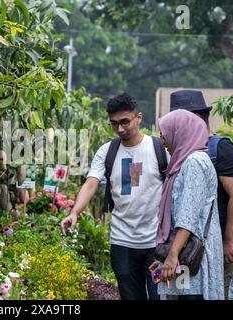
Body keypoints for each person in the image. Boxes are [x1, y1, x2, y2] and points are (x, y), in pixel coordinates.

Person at [61, 93, 168, 300]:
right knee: (130, 296)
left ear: (139, 117)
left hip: (155, 241)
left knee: (159, 296)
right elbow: (91, 183)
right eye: (114, 124)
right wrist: (74, 213)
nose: (120, 129)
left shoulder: (159, 149)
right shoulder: (107, 151)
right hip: (122, 240)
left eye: (125, 122)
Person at [169, 90, 233, 299]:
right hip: (186, 246)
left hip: (214, 245)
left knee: (214, 292)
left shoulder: (221, 150)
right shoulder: (180, 153)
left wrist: (229, 240)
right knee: (184, 294)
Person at [150, 109, 224, 300]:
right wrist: (164, 257)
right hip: (187, 254)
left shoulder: (194, 162)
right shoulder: (184, 163)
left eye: (165, 132)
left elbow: (187, 217)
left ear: (180, 132)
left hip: (193, 258)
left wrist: (172, 255)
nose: (162, 139)